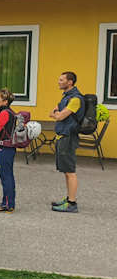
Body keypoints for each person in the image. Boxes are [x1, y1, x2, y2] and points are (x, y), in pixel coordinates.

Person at [51, 71, 84, 213]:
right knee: (66, 171)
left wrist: (57, 114)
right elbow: (54, 113)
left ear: (70, 82)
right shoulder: (67, 97)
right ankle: (69, 198)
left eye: (61, 80)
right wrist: (57, 114)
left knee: (70, 171)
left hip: (68, 137)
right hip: (63, 136)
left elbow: (59, 116)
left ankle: (72, 203)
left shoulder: (76, 99)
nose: (58, 81)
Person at [0, 89, 17, 213]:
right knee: (8, 174)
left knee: (6, 176)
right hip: (9, 147)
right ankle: (7, 201)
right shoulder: (10, 112)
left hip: (5, 148)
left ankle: (7, 204)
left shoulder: (5, 113)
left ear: (5, 101)